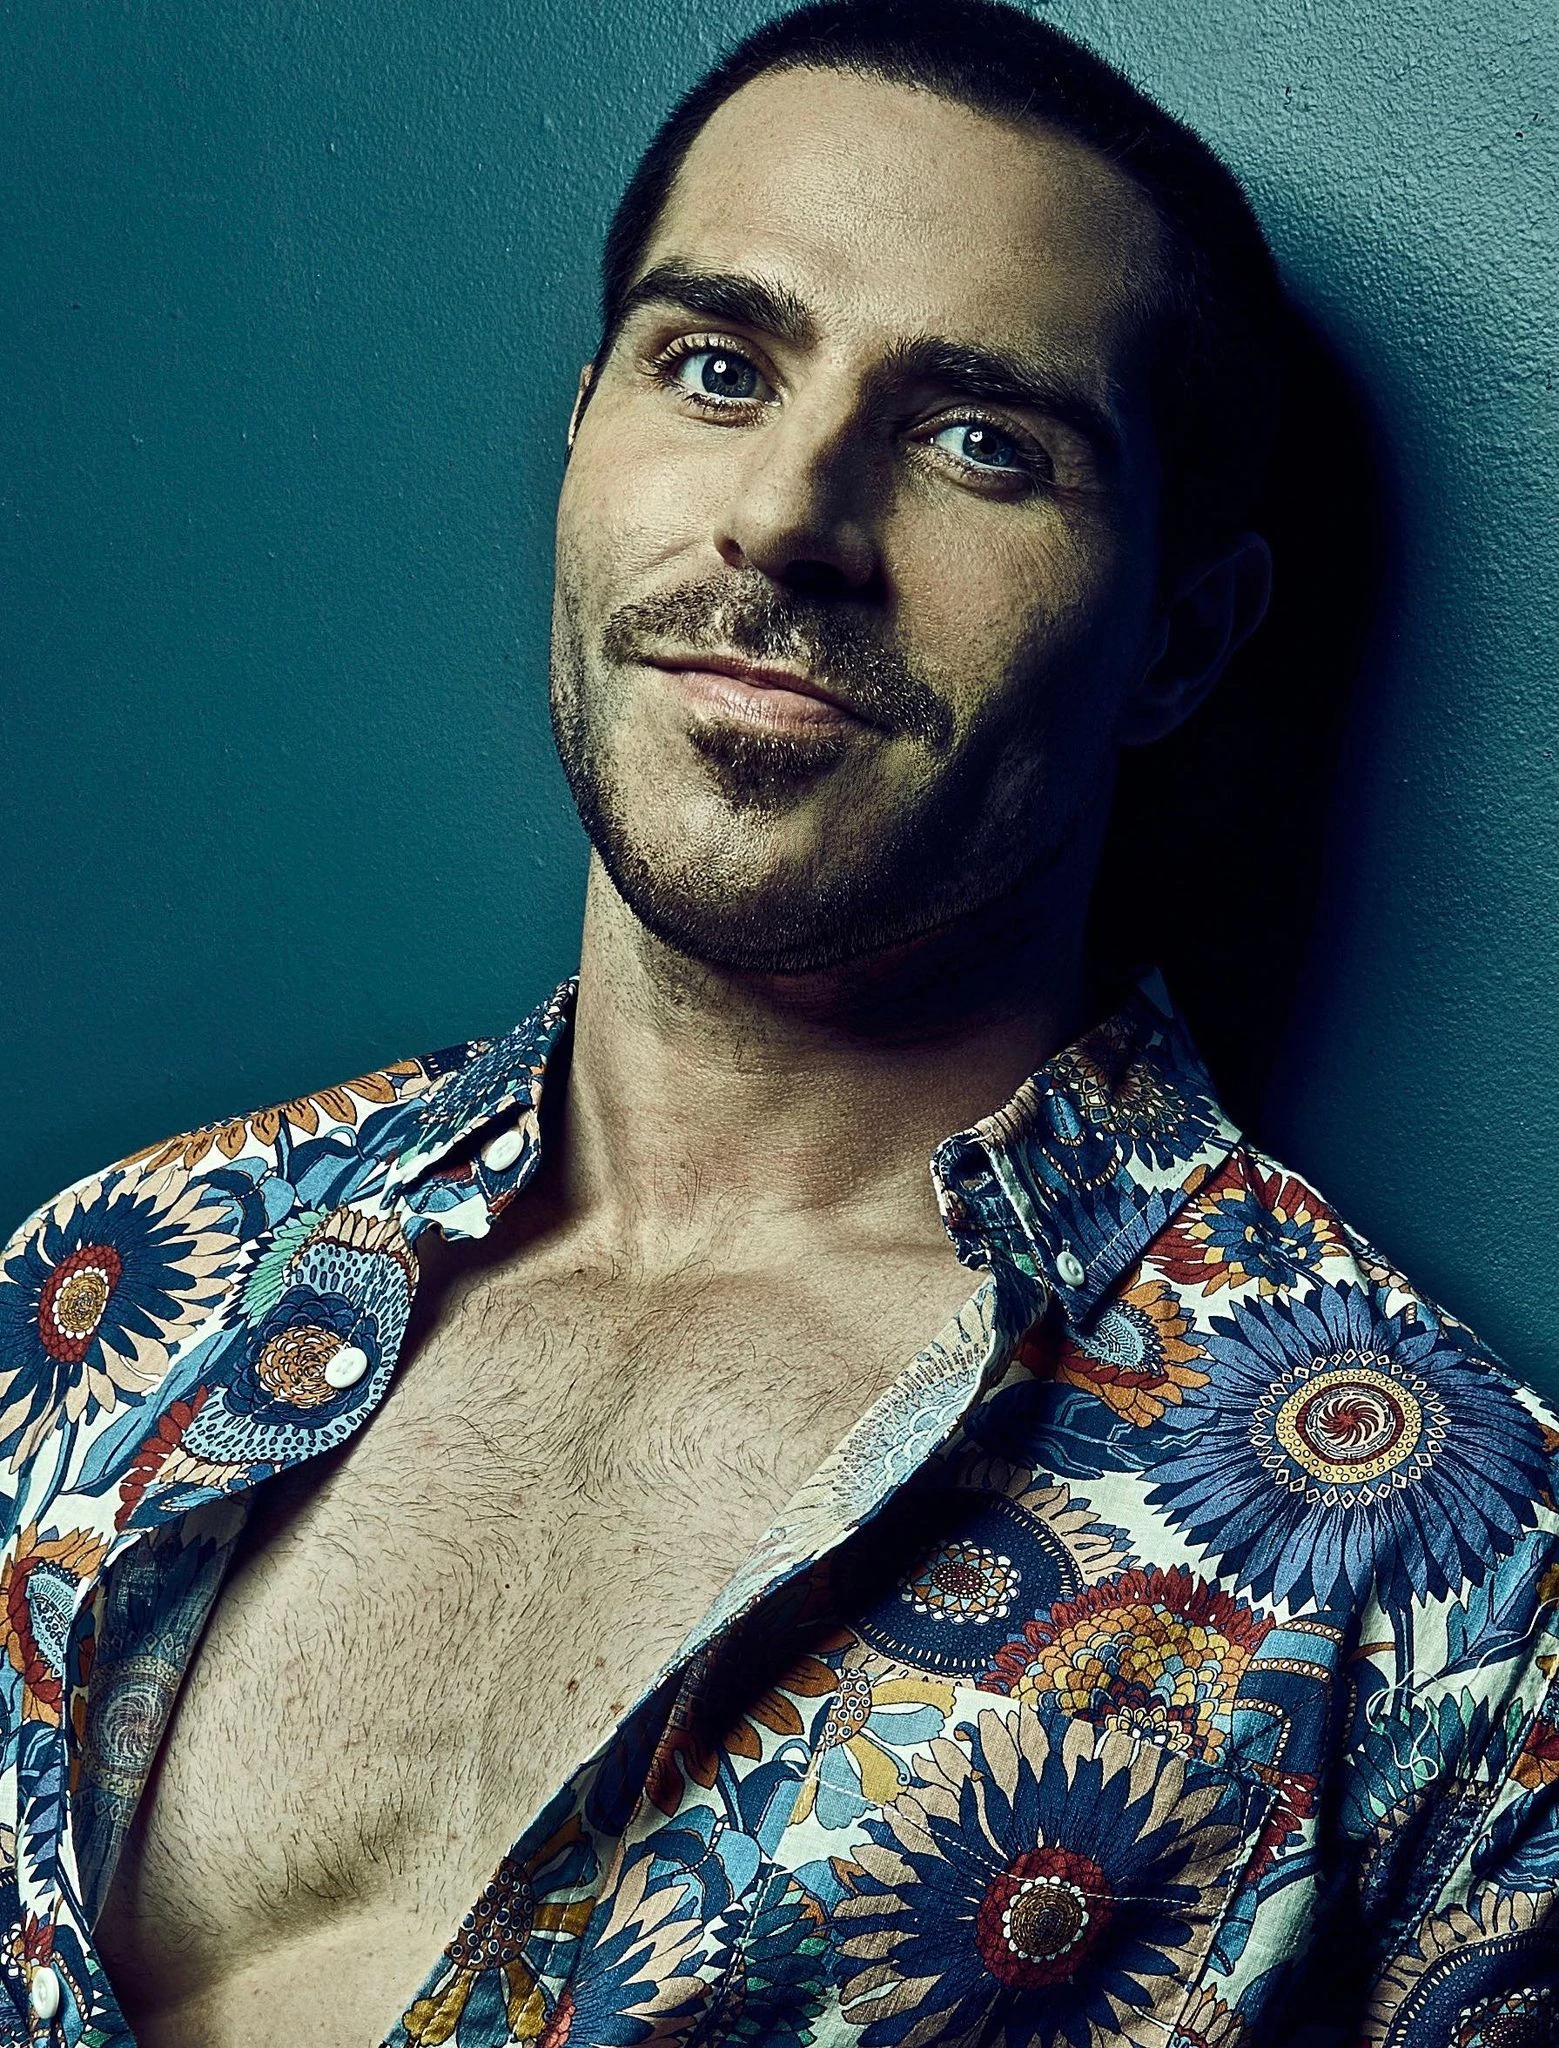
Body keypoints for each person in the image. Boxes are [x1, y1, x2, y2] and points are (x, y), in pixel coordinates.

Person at [1, 1, 1554, 2041]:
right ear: (583, 437)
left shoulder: (1441, 1587)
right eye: (717, 366)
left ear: (1178, 642)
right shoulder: (107, 1293)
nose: (788, 518)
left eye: (980, 439)